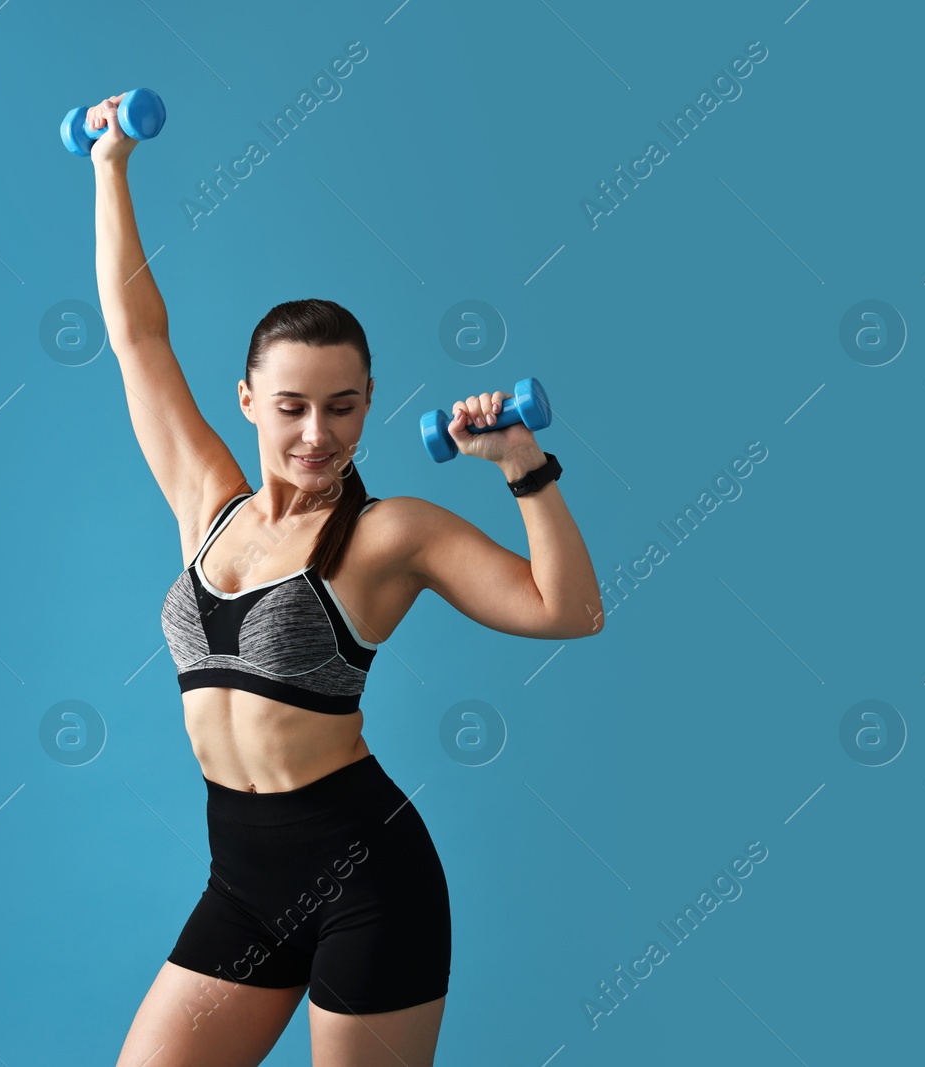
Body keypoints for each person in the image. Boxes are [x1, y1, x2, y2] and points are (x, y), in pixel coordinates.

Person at [86, 94, 605, 1067]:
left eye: (342, 405)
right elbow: (137, 336)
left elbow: (568, 610)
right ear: (247, 400)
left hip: (368, 879)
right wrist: (109, 164)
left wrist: (520, 466)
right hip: (239, 881)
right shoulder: (209, 503)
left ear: (368, 403)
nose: (316, 433)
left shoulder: (386, 534)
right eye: (290, 407)